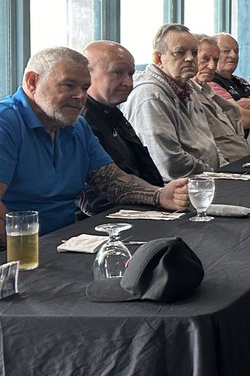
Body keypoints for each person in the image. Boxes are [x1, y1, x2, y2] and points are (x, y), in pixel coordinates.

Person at [0, 47, 189, 235]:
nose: (80, 96)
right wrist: (26, 253)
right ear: (33, 82)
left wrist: (159, 195)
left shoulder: (78, 126)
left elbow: (112, 181)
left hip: (65, 242)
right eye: (68, 85)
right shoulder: (6, 123)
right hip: (19, 251)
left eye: (84, 88)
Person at [124, 24, 224, 180]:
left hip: (206, 178)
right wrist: (212, 172)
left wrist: (224, 170)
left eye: (194, 52)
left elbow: (208, 144)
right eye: (180, 52)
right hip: (177, 189)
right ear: (158, 58)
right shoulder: (149, 95)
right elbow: (168, 163)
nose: (190, 58)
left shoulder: (187, 86)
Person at [80, 40, 163, 215]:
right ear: (87, 75)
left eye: (131, 74)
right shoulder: (80, 121)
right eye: (117, 72)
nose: (127, 82)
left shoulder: (113, 113)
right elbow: (95, 200)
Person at [193, 35, 250, 162]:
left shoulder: (209, 91)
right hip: (225, 168)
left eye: (215, 60)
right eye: (205, 59)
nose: (211, 66)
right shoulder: (187, 95)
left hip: (245, 158)